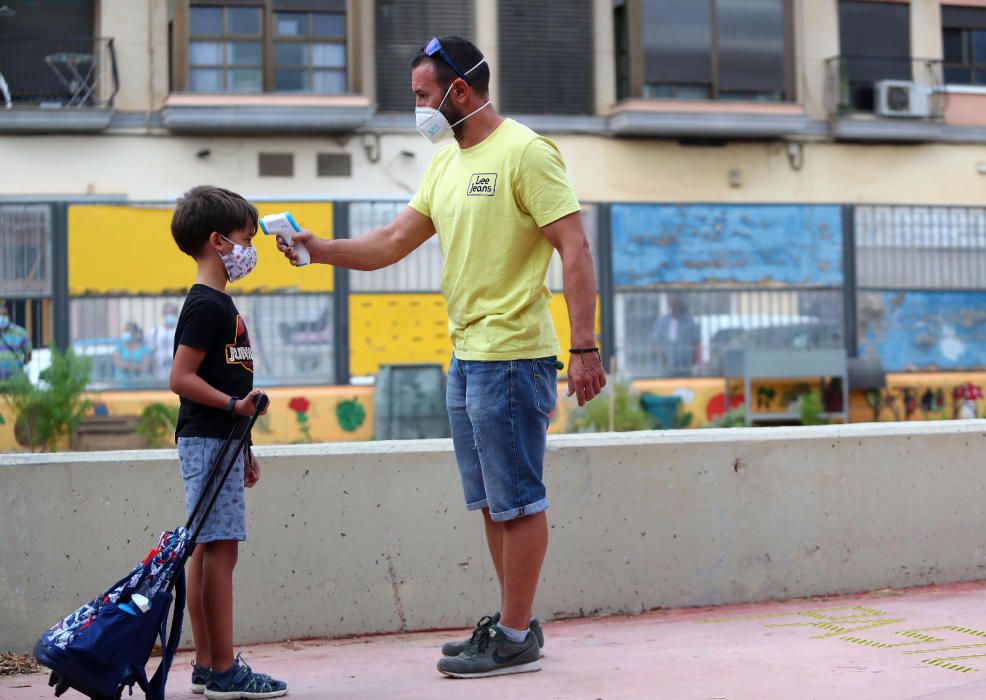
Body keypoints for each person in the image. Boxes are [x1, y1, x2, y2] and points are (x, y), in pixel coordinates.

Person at [276, 36, 606, 679]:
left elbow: (575, 249)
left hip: (513, 355)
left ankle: (514, 634)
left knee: (519, 500)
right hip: (467, 357)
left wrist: (585, 347)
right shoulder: (446, 163)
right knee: (490, 501)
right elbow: (394, 240)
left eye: (423, 96)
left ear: (459, 91)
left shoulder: (527, 152)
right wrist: (317, 250)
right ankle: (514, 623)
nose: (417, 109)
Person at [168, 185, 287, 699]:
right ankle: (222, 671)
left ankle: (205, 663)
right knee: (220, 553)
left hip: (222, 441)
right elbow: (181, 378)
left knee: (209, 551)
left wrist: (246, 445)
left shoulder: (219, 303)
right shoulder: (207, 306)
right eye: (245, 238)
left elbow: (222, 379)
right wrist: (236, 410)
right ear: (218, 242)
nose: (249, 249)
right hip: (211, 437)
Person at [651, 294, 701, 376]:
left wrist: (697, 363)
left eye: (675, 300)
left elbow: (696, 343)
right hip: (667, 368)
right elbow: (655, 342)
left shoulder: (689, 321)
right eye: (670, 300)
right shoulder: (662, 321)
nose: (673, 303)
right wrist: (661, 356)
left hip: (686, 367)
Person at [147, 301, 179, 384]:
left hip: (177, 372)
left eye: (172, 313)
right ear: (163, 315)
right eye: (167, 313)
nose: (169, 315)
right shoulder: (155, 331)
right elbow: (150, 351)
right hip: (159, 372)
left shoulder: (180, 330)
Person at [112, 321, 153, 387]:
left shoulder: (144, 348)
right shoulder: (119, 347)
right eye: (125, 331)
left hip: (139, 387)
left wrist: (127, 365)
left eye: (128, 331)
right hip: (121, 387)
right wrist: (136, 367)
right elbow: (118, 363)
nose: (125, 333)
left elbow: (145, 366)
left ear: (135, 333)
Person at [0, 301, 31, 383]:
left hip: (15, 382)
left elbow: (28, 355)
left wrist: (18, 365)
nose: (1, 317)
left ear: (10, 316)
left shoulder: (21, 333)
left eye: (4, 314)